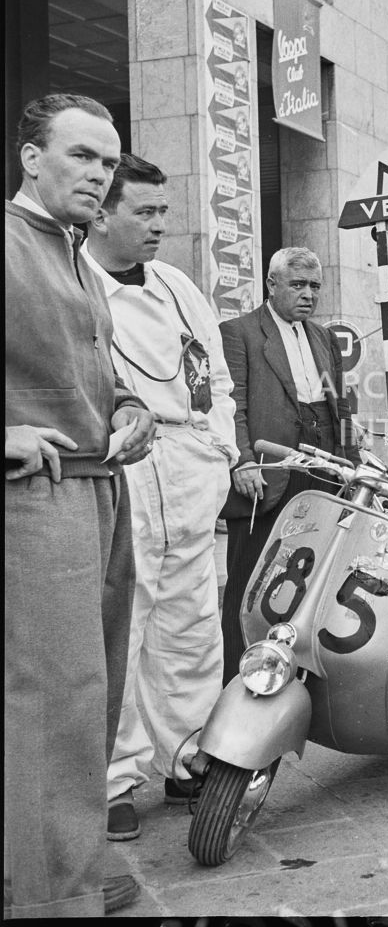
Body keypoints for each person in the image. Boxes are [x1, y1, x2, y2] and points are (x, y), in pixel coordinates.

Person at [5, 93, 156, 917]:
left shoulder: (73, 253)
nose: (100, 174)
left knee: (91, 698)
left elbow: (92, 370)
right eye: (82, 156)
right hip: (36, 499)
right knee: (55, 703)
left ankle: (70, 863)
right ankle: (54, 900)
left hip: (100, 489)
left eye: (109, 160)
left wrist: (131, 407)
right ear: (31, 158)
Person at [81, 154, 238, 841]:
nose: (158, 227)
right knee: (122, 625)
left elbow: (218, 379)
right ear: (102, 212)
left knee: (192, 621)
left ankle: (186, 759)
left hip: (190, 462)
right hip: (125, 467)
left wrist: (221, 452)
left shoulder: (177, 285)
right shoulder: (74, 284)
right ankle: (113, 779)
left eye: (163, 212)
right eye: (143, 213)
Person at [219, 247, 360, 684]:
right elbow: (232, 404)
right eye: (297, 285)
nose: (308, 294)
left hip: (322, 469)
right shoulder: (238, 332)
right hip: (268, 472)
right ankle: (236, 681)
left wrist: (352, 463)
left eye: (315, 286)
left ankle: (294, 676)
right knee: (251, 581)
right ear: (271, 284)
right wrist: (242, 462)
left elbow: (342, 407)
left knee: (310, 574)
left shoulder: (323, 338)